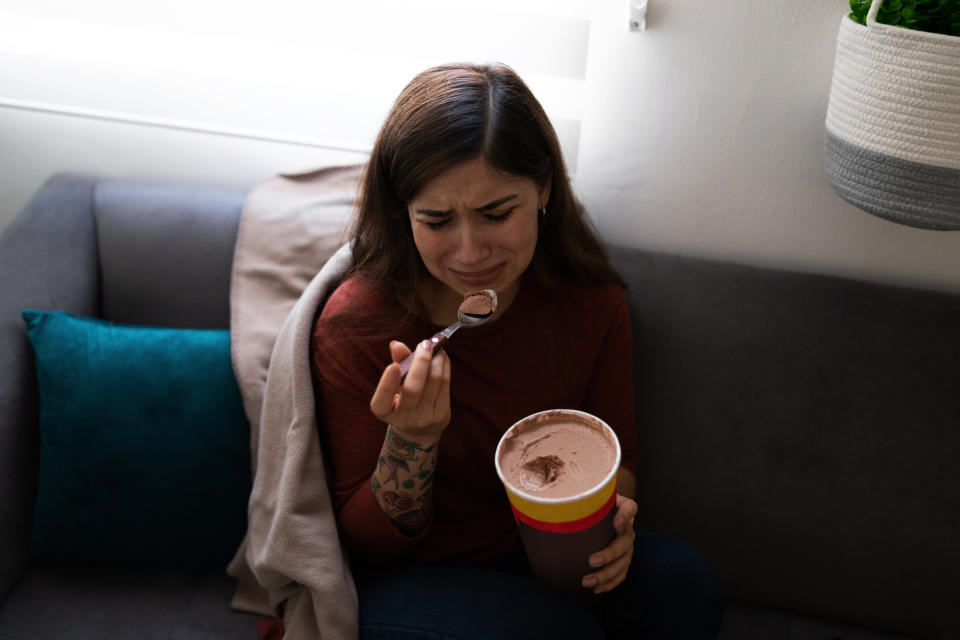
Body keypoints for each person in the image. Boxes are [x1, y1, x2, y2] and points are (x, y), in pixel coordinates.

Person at [310, 62, 722, 639]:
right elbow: (367, 545)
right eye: (436, 220)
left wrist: (614, 519)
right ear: (403, 212)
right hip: (413, 582)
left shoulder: (590, 304)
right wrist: (412, 440)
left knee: (683, 580)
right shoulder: (360, 324)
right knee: (552, 629)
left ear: (544, 189)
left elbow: (619, 467)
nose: (469, 250)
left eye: (496, 213)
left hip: (542, 556)